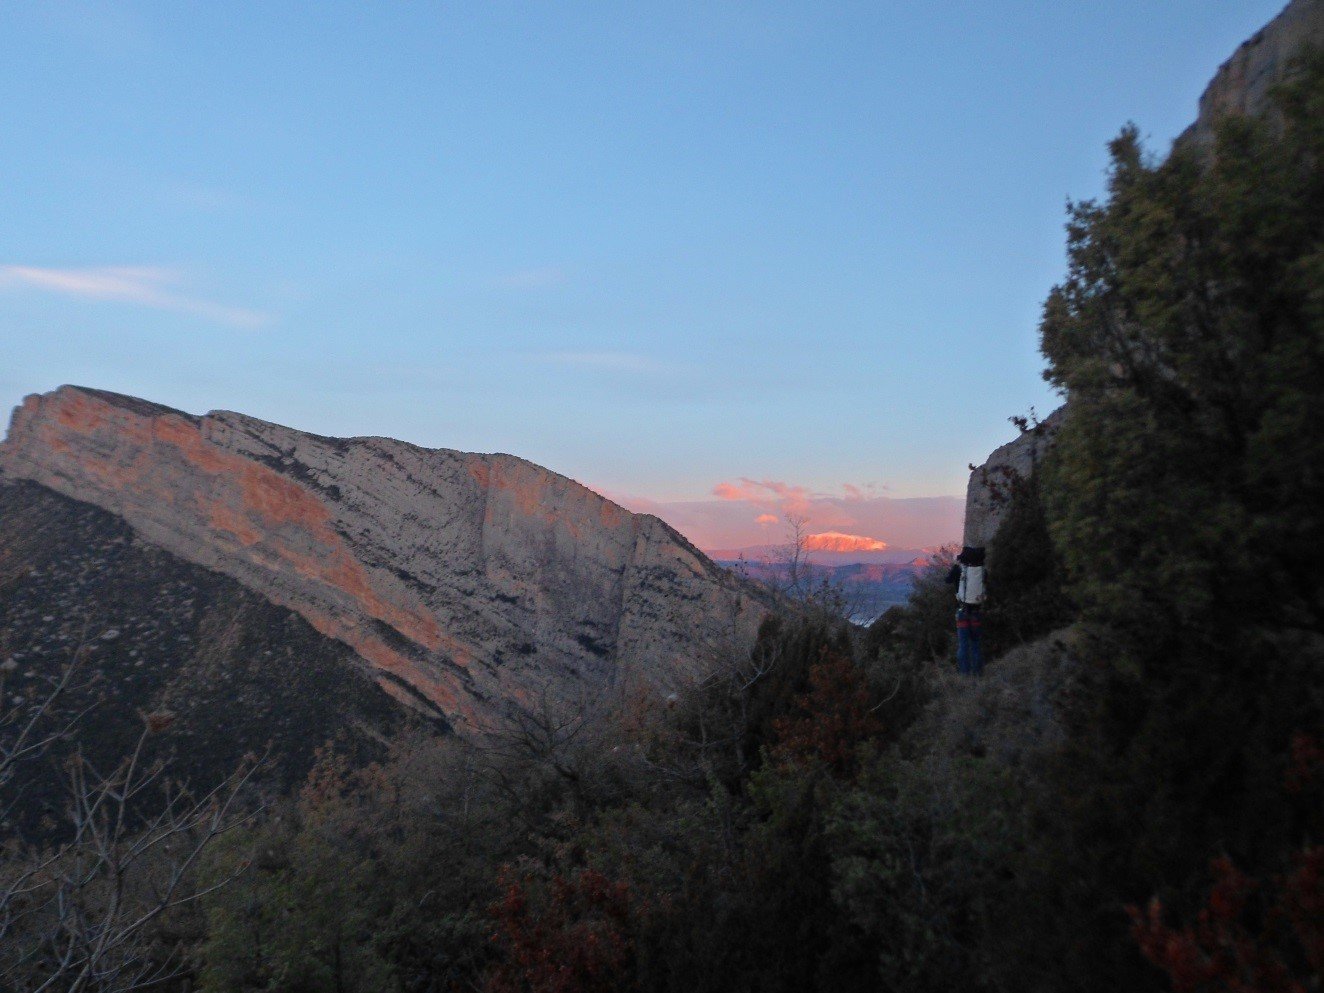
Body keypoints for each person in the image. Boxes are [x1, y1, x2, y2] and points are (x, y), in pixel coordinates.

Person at [945, 546, 986, 676]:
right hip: (976, 612)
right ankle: (978, 675)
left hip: (962, 612)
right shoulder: (982, 571)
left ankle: (964, 675)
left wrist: (955, 569)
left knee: (963, 645)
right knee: (976, 644)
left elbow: (947, 580)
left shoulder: (958, 570)